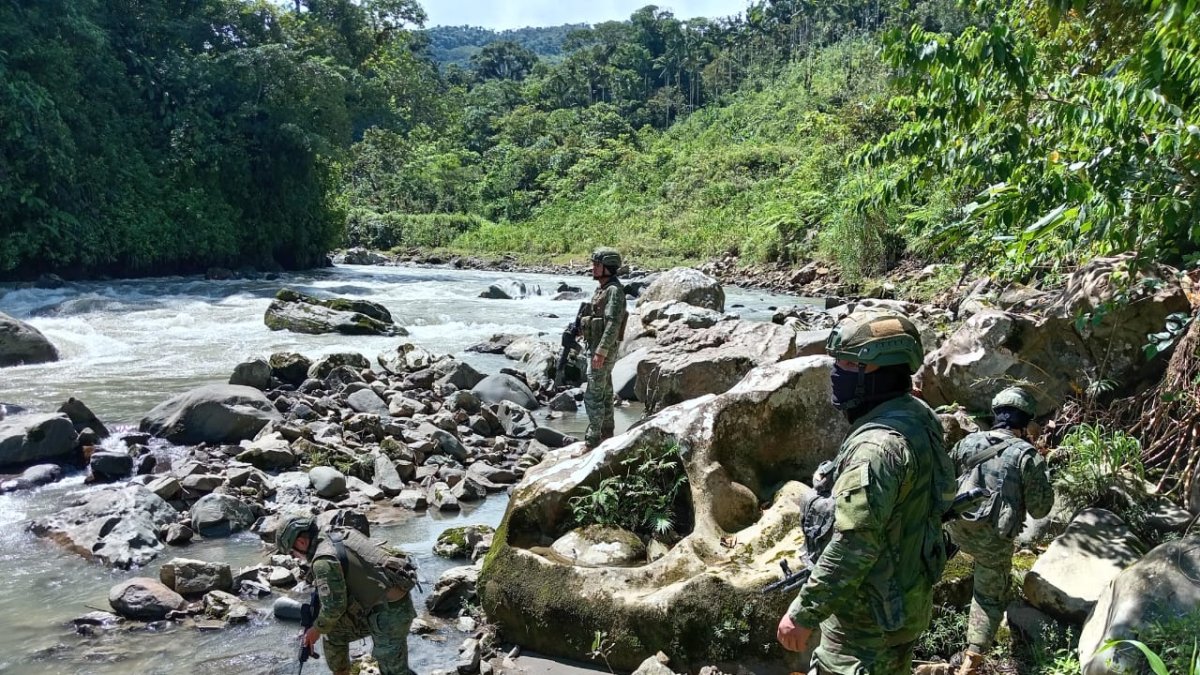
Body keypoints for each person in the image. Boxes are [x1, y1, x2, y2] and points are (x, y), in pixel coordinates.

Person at [777, 312, 957, 675]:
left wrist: (804, 613)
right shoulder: (917, 415)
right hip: (904, 604)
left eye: (846, 362)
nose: (835, 371)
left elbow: (855, 543)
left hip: (866, 625)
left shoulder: (874, 450)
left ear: (875, 373)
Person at [917, 387, 1054, 675]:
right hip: (994, 540)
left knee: (927, 571)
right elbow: (1041, 510)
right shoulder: (1026, 455)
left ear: (996, 415)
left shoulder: (968, 443)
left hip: (956, 526)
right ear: (1026, 421)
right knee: (988, 597)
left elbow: (943, 481)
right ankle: (972, 661)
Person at [276, 516, 418, 675]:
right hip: (383, 605)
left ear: (301, 543)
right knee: (333, 633)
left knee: (394, 671)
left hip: (391, 614)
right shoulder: (338, 533)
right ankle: (341, 671)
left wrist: (315, 630)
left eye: (293, 552)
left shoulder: (323, 561)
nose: (295, 557)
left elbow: (334, 607)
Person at [579, 246, 628, 448]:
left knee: (593, 395)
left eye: (597, 265)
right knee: (606, 391)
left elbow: (613, 323)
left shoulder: (614, 291)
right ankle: (607, 434)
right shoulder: (603, 289)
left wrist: (601, 351)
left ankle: (592, 441)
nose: (593, 268)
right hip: (597, 347)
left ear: (608, 267)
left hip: (602, 350)